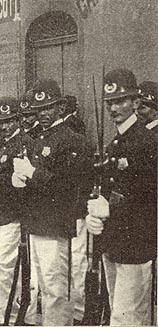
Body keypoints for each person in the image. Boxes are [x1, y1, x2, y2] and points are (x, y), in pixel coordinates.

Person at [12, 79, 92, 325]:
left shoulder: (70, 140)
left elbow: (65, 187)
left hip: (56, 223)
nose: (43, 114)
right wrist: (22, 178)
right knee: (46, 286)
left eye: (48, 108)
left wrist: (32, 173)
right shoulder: (40, 139)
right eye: (39, 109)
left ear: (60, 108)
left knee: (57, 288)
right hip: (37, 222)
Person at [86, 69, 157, 325]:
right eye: (109, 102)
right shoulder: (115, 144)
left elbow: (150, 196)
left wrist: (111, 210)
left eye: (120, 101)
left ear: (136, 103)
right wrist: (95, 216)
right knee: (118, 309)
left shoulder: (148, 142)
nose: (114, 107)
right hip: (113, 241)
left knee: (128, 317)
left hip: (136, 242)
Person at [0, 96, 39, 324]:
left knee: (4, 266)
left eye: (9, 120)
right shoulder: (6, 144)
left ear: (19, 119)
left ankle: (13, 315)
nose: (5, 125)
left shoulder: (24, 144)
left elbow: (23, 185)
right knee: (8, 267)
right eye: (1, 120)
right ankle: (11, 314)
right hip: (2, 215)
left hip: (15, 216)